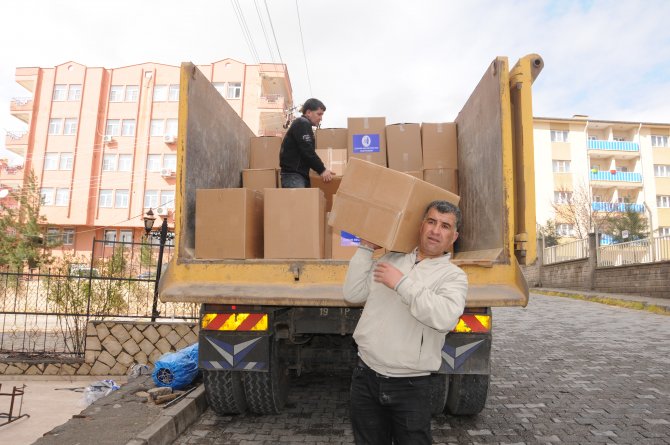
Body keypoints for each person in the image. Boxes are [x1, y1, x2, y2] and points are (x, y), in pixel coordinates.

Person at [343, 200, 468, 445]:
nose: (435, 230)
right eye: (431, 222)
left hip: (411, 385)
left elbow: (444, 317)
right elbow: (353, 294)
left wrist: (401, 283)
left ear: (453, 236)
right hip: (366, 376)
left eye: (444, 226)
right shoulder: (392, 259)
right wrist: (366, 249)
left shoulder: (453, 277)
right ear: (421, 226)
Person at [279, 98, 335, 188]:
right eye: (319, 114)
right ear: (308, 112)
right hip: (294, 177)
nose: (321, 118)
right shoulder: (302, 123)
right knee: (300, 202)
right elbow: (307, 151)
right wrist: (322, 170)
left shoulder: (304, 125)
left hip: (298, 176)